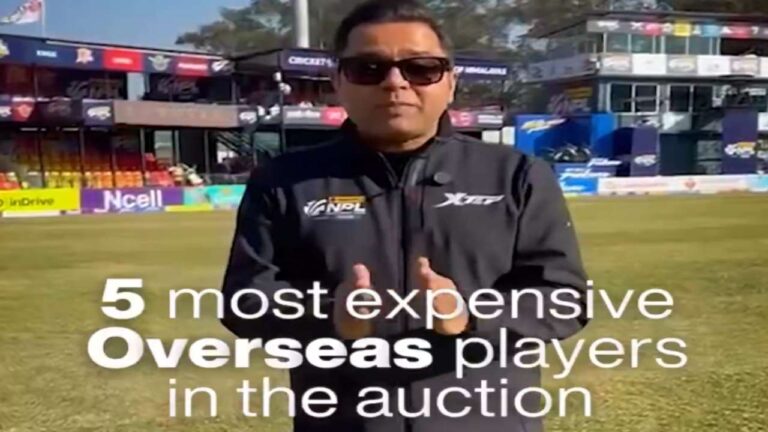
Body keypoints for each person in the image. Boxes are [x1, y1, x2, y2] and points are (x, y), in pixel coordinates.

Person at [221, 1, 590, 431]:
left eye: (421, 68)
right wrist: (330, 317)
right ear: (338, 82)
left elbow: (565, 299)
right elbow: (245, 301)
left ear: (450, 82)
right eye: (368, 69)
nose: (395, 83)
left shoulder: (517, 175)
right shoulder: (283, 180)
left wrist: (470, 317)